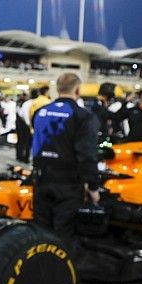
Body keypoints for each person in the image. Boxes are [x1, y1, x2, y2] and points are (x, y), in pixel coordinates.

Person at [32, 73, 100, 252]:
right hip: (68, 185)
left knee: (41, 235)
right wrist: (93, 187)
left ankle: (38, 273)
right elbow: (87, 154)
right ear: (78, 90)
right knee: (63, 237)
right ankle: (60, 276)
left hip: (41, 181)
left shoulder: (40, 112)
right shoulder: (83, 116)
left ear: (57, 88)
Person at [15, 92, 30, 163]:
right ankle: (21, 157)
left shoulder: (21, 103)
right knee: (24, 141)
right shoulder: (22, 104)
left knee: (21, 141)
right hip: (22, 124)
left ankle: (20, 156)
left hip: (20, 124)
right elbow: (21, 115)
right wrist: (28, 123)